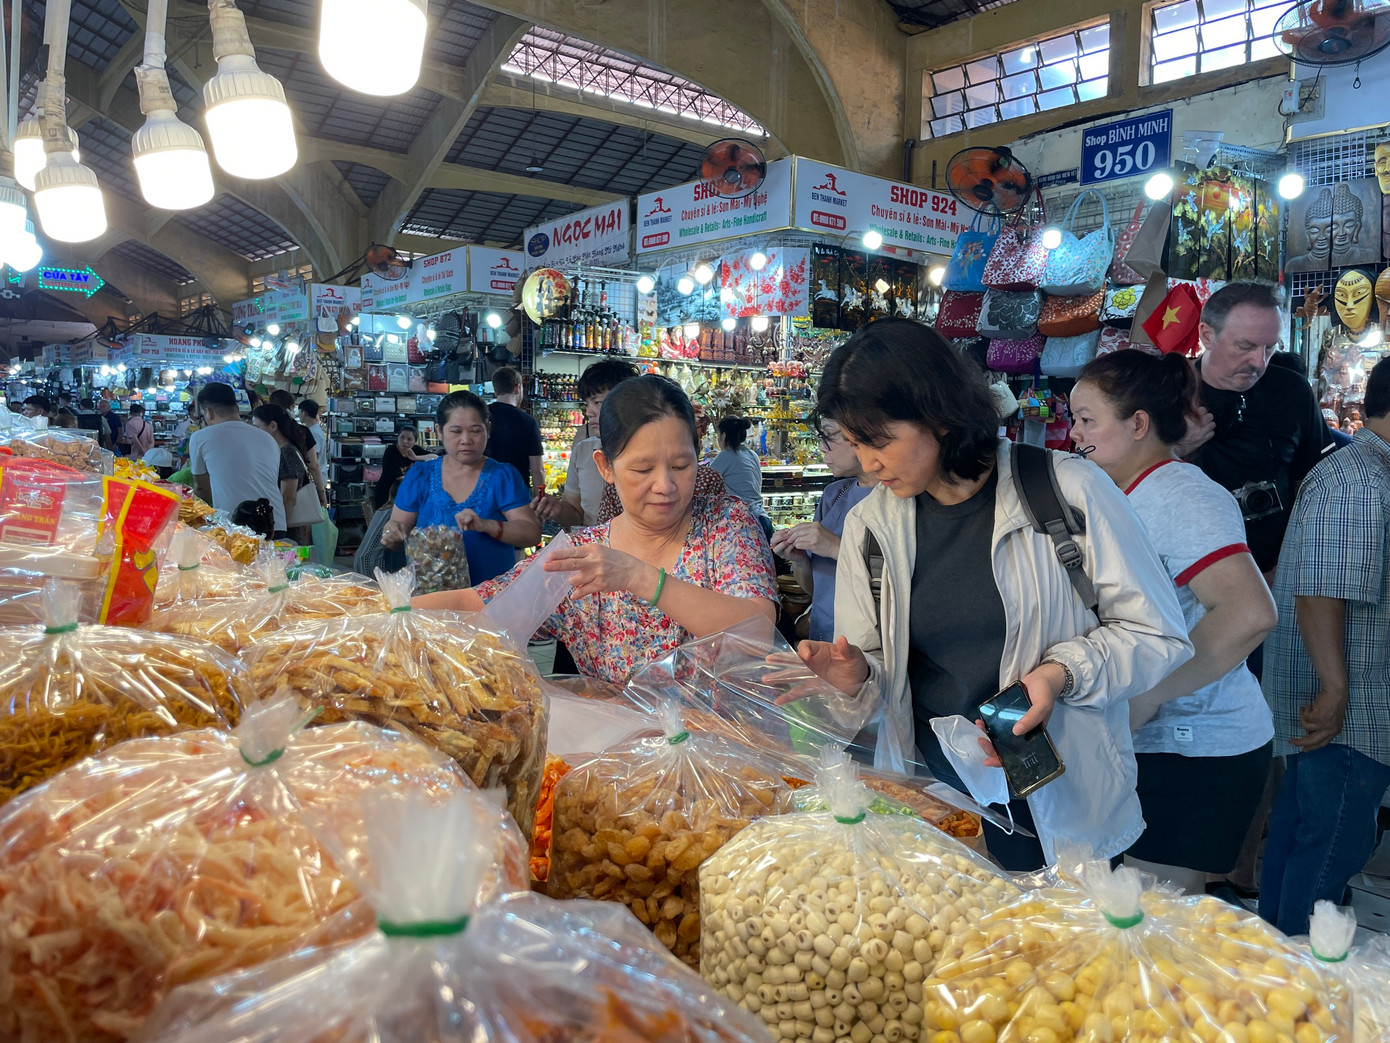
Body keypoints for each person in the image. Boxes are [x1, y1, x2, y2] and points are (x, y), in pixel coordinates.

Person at [791, 319, 1191, 870]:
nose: (867, 463)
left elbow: (1157, 633)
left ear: (938, 415)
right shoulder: (870, 527)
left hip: (1060, 796)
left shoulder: (1066, 489)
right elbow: (881, 668)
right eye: (855, 443)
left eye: (880, 440)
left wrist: (1059, 674)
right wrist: (856, 677)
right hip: (939, 801)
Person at [1069, 350, 1278, 893]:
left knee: (1153, 929)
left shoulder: (1182, 496)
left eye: (1087, 419)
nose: (1074, 435)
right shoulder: (1120, 494)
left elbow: (1249, 613)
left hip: (1193, 749)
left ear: (1138, 424)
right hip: (1146, 742)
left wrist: (1150, 692)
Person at [414, 375, 779, 685]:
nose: (665, 485)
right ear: (606, 467)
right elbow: (475, 604)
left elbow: (757, 632)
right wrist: (378, 611)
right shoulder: (580, 556)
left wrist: (639, 576)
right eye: (642, 470)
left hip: (725, 756)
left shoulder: (726, 523)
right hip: (622, 759)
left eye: (682, 465)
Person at [1259, 356, 1390, 937]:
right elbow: (1321, 593)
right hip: (1347, 709)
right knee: (1332, 844)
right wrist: (1335, 690)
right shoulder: (1360, 479)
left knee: (1303, 831)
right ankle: (1299, 985)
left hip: (1347, 702)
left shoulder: (1366, 472)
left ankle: (1275, 966)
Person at [1180, 282, 1333, 581]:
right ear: (1207, 335)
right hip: (1190, 575)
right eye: (1246, 346)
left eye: (1270, 347)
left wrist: (1297, 559)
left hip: (1280, 569)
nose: (1259, 362)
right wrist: (1175, 450)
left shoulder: (1293, 391)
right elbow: (1124, 488)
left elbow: (1317, 484)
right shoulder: (1167, 393)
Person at [381, 390, 541, 584]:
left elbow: (531, 533)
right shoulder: (420, 476)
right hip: (433, 598)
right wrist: (391, 534)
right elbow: (398, 532)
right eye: (456, 431)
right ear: (439, 431)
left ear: (488, 430)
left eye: (475, 431)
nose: (466, 440)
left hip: (491, 598)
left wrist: (487, 525)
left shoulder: (502, 476)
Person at [771, 416, 879, 643]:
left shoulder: (896, 501)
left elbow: (899, 583)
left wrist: (837, 548)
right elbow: (815, 590)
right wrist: (799, 560)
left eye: (829, 436)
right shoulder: (835, 494)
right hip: (823, 635)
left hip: (868, 648)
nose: (821, 446)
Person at [533, 359, 639, 528]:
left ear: (627, 402)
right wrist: (557, 509)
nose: (589, 412)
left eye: (597, 403)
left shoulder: (650, 452)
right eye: (587, 404)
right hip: (595, 550)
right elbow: (575, 513)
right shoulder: (584, 450)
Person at [189, 382, 285, 535]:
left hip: (235, 527)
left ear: (209, 413)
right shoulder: (267, 437)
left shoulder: (200, 437)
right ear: (237, 408)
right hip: (275, 522)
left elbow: (201, 488)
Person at [252, 403, 316, 543]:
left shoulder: (286, 453)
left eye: (257, 427)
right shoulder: (280, 450)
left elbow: (288, 497)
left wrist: (280, 527)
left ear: (273, 426)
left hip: (288, 526)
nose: (255, 432)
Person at [711, 415, 772, 541]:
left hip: (743, 524)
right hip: (763, 520)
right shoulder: (752, 454)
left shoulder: (725, 456)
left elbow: (706, 481)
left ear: (723, 436)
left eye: (718, 436)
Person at [484, 366, 544, 493]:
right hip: (517, 493)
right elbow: (536, 469)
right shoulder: (528, 421)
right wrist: (541, 498)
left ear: (496, 391)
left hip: (485, 489)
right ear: (517, 388)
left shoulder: (481, 416)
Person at [374, 425, 429, 509]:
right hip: (388, 494)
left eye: (409, 439)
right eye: (402, 437)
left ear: (415, 441)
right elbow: (400, 478)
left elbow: (435, 456)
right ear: (398, 437)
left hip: (406, 492)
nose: (405, 441)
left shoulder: (415, 449)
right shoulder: (391, 452)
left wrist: (416, 458)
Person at [297, 398, 329, 477]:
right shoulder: (313, 430)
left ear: (304, 412)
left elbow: (313, 459)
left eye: (299, 412)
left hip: (316, 477)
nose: (299, 415)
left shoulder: (314, 433)